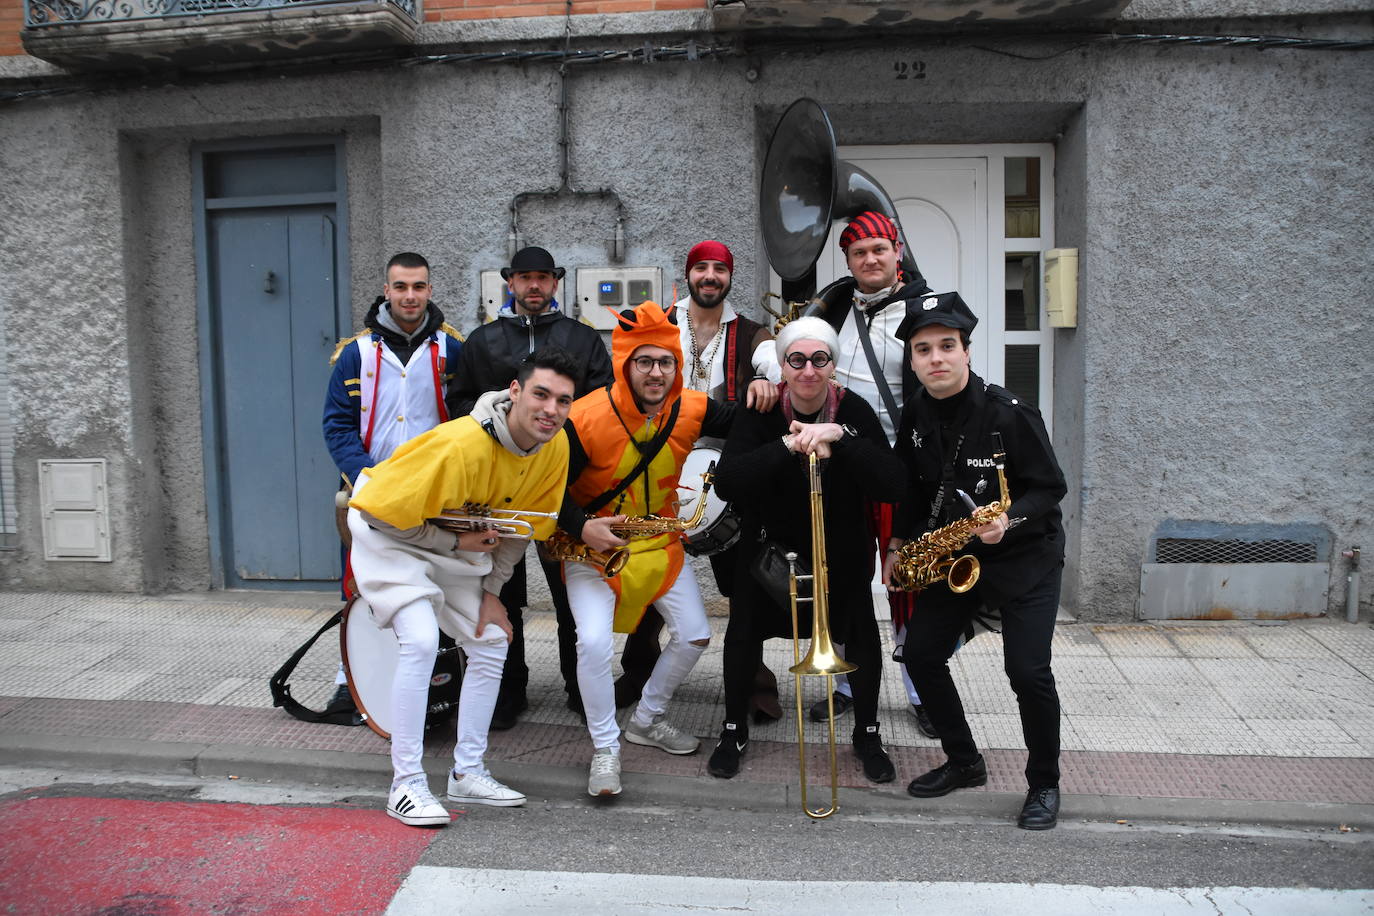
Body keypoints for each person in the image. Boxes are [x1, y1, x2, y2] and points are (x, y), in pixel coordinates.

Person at [346, 347, 579, 827]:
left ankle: (466, 772)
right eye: (540, 394)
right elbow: (373, 512)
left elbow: (520, 529)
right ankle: (405, 785)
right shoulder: (460, 444)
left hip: (450, 544)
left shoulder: (555, 447)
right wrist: (454, 540)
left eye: (563, 400)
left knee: (493, 641)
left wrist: (493, 592)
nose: (551, 410)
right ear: (514, 392)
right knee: (422, 640)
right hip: (391, 537)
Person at [884, 291, 1067, 830]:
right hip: (960, 559)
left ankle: (1045, 784)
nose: (936, 358)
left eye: (946, 346)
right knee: (919, 655)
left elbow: (1050, 488)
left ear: (966, 351)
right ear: (913, 361)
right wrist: (898, 545)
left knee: (1028, 672)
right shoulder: (916, 410)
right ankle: (964, 761)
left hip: (1025, 560)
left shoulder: (1011, 414)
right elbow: (915, 492)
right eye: (923, 350)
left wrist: (1007, 521)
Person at [710, 316, 904, 782]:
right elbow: (729, 480)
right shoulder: (760, 411)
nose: (809, 371)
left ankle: (868, 732)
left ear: (833, 366)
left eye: (820, 360)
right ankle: (733, 728)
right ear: (783, 367)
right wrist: (786, 446)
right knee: (742, 635)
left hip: (840, 552)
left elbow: (893, 482)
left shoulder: (852, 409)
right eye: (797, 360)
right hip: (766, 553)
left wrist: (843, 440)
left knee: (859, 636)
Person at [556, 300, 733, 797]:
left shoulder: (693, 407)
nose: (656, 373)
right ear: (624, 364)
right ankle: (606, 747)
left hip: (660, 545)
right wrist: (582, 525)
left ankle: (647, 719)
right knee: (591, 644)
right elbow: (547, 491)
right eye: (645, 361)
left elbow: (748, 425)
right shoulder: (584, 418)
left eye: (666, 362)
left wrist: (773, 389)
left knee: (695, 635)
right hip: (593, 551)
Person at [612, 240, 783, 717]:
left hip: (725, 478)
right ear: (687, 275)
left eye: (719, 269)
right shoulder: (660, 324)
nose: (710, 276)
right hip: (656, 469)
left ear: (730, 277)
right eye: (702, 268)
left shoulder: (751, 332)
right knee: (649, 576)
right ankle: (638, 671)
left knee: (740, 586)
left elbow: (771, 358)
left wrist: (769, 378)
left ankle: (751, 678)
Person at [447, 246, 615, 729]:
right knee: (505, 591)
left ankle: (580, 687)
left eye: (543, 277)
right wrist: (493, 435)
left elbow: (600, 405)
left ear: (556, 282)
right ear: (510, 282)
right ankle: (507, 690)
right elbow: (458, 402)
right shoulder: (482, 341)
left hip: (564, 485)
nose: (534, 286)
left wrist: (563, 451)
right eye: (525, 278)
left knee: (569, 597)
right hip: (497, 489)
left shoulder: (582, 340)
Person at [321, 251, 464, 721]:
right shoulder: (354, 353)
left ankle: (439, 684)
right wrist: (367, 477)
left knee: (433, 587)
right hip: (370, 489)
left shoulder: (452, 349)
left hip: (434, 496)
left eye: (418, 286)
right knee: (359, 584)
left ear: (429, 289)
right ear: (386, 290)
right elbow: (337, 425)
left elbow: (465, 424)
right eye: (400, 287)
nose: (409, 295)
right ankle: (350, 683)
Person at [813, 210, 940, 737]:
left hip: (897, 465)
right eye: (859, 252)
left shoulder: (926, 312)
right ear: (848, 260)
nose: (870, 260)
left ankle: (921, 689)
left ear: (898, 254)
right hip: (839, 462)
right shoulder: (832, 305)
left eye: (879, 250)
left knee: (906, 580)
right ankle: (843, 682)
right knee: (840, 574)